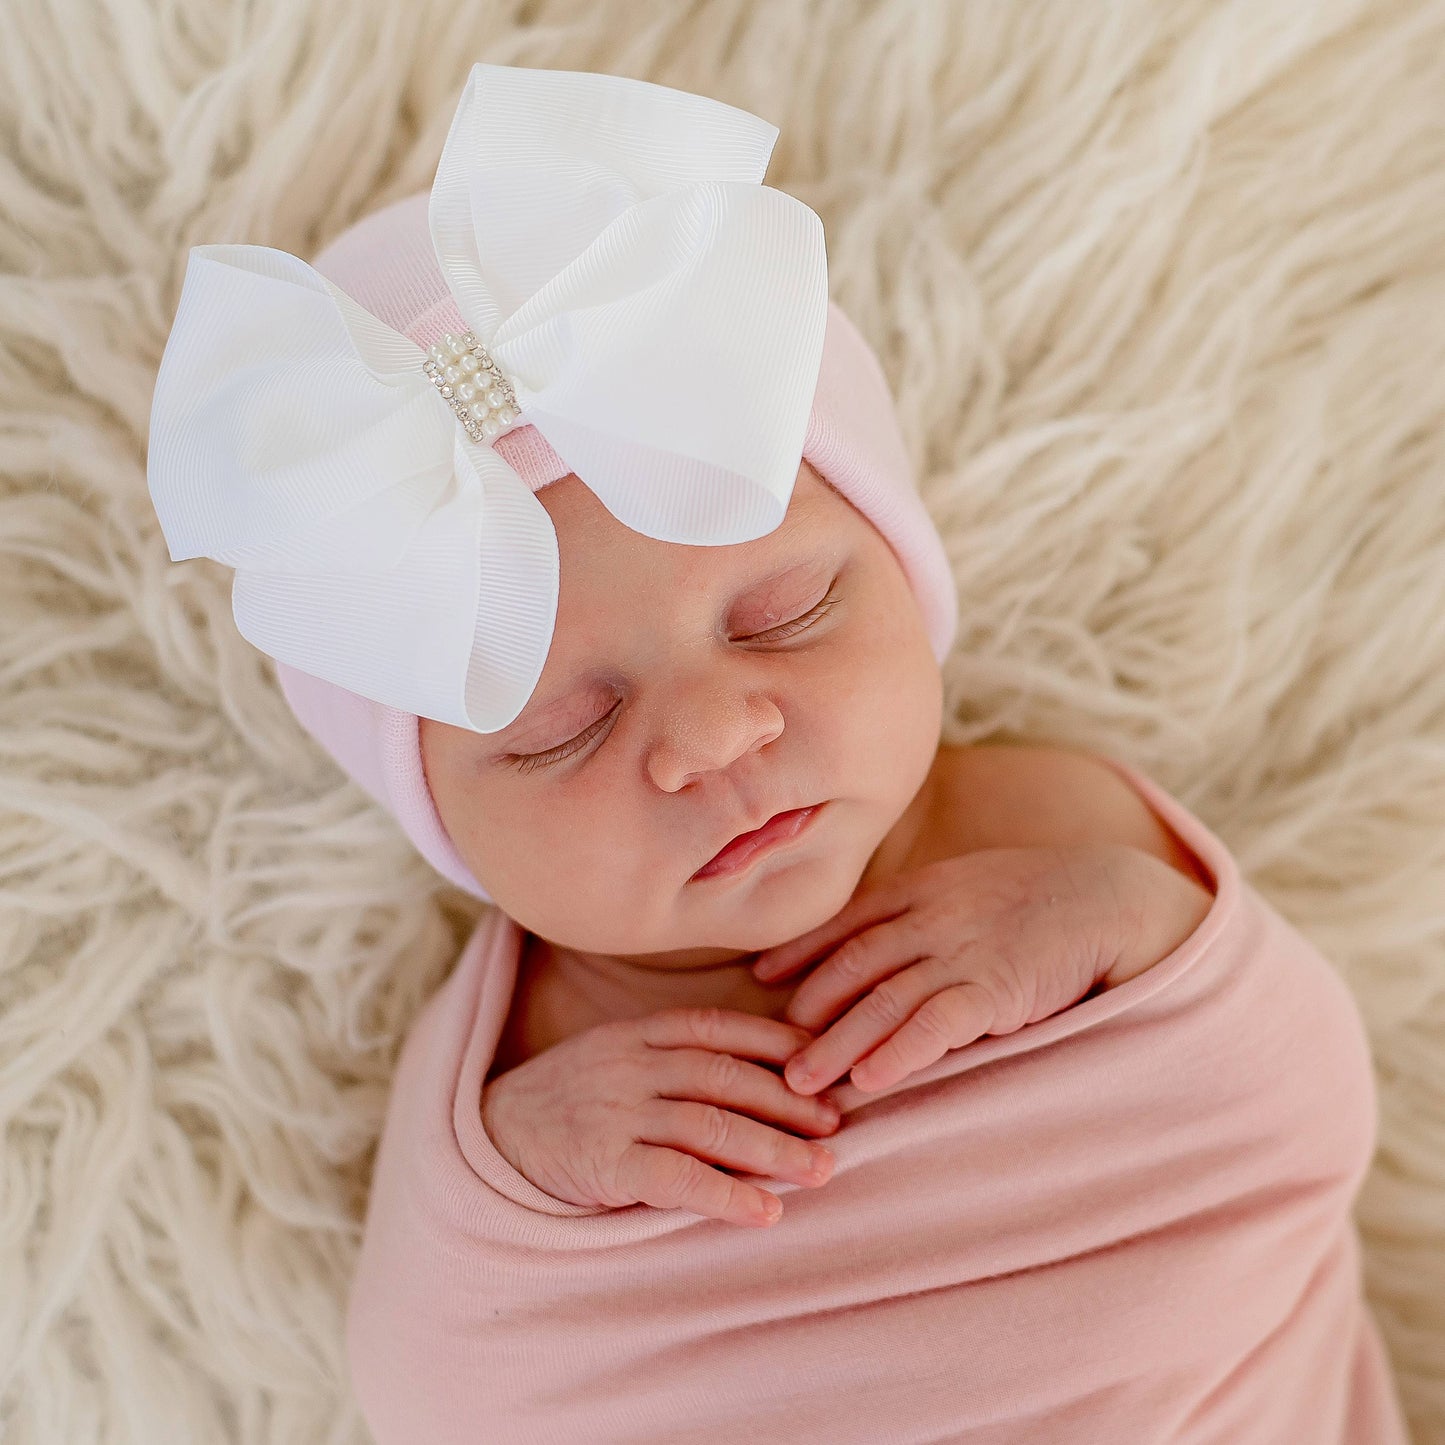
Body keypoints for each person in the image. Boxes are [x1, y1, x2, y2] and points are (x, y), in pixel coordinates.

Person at [146, 60, 1408, 1445]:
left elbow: (1303, 1124)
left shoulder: (1055, 830)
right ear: (439, 817)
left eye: (786, 614)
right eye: (563, 730)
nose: (712, 738)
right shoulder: (524, 1073)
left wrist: (1131, 921)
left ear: (902, 574)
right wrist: (523, 1172)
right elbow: (435, 1395)